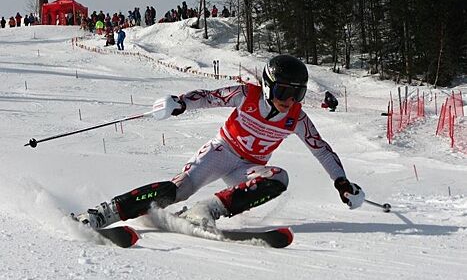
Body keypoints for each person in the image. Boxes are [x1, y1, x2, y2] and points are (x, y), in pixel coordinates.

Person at [76, 55, 365, 230]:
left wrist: (341, 182)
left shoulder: (296, 119)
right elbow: (208, 96)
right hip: (221, 151)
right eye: (283, 90)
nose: (289, 100)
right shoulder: (247, 95)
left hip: (249, 167)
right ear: (267, 86)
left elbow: (322, 150)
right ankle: (104, 213)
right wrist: (180, 104)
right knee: (179, 190)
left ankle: (207, 211)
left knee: (279, 178)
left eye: (297, 94)